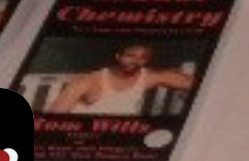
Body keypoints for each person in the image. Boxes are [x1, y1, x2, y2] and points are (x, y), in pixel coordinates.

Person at [47, 43, 195, 115]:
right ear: (118, 56)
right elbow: (53, 119)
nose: (135, 61)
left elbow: (189, 83)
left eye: (142, 58)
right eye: (130, 55)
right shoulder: (88, 81)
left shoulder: (147, 77)